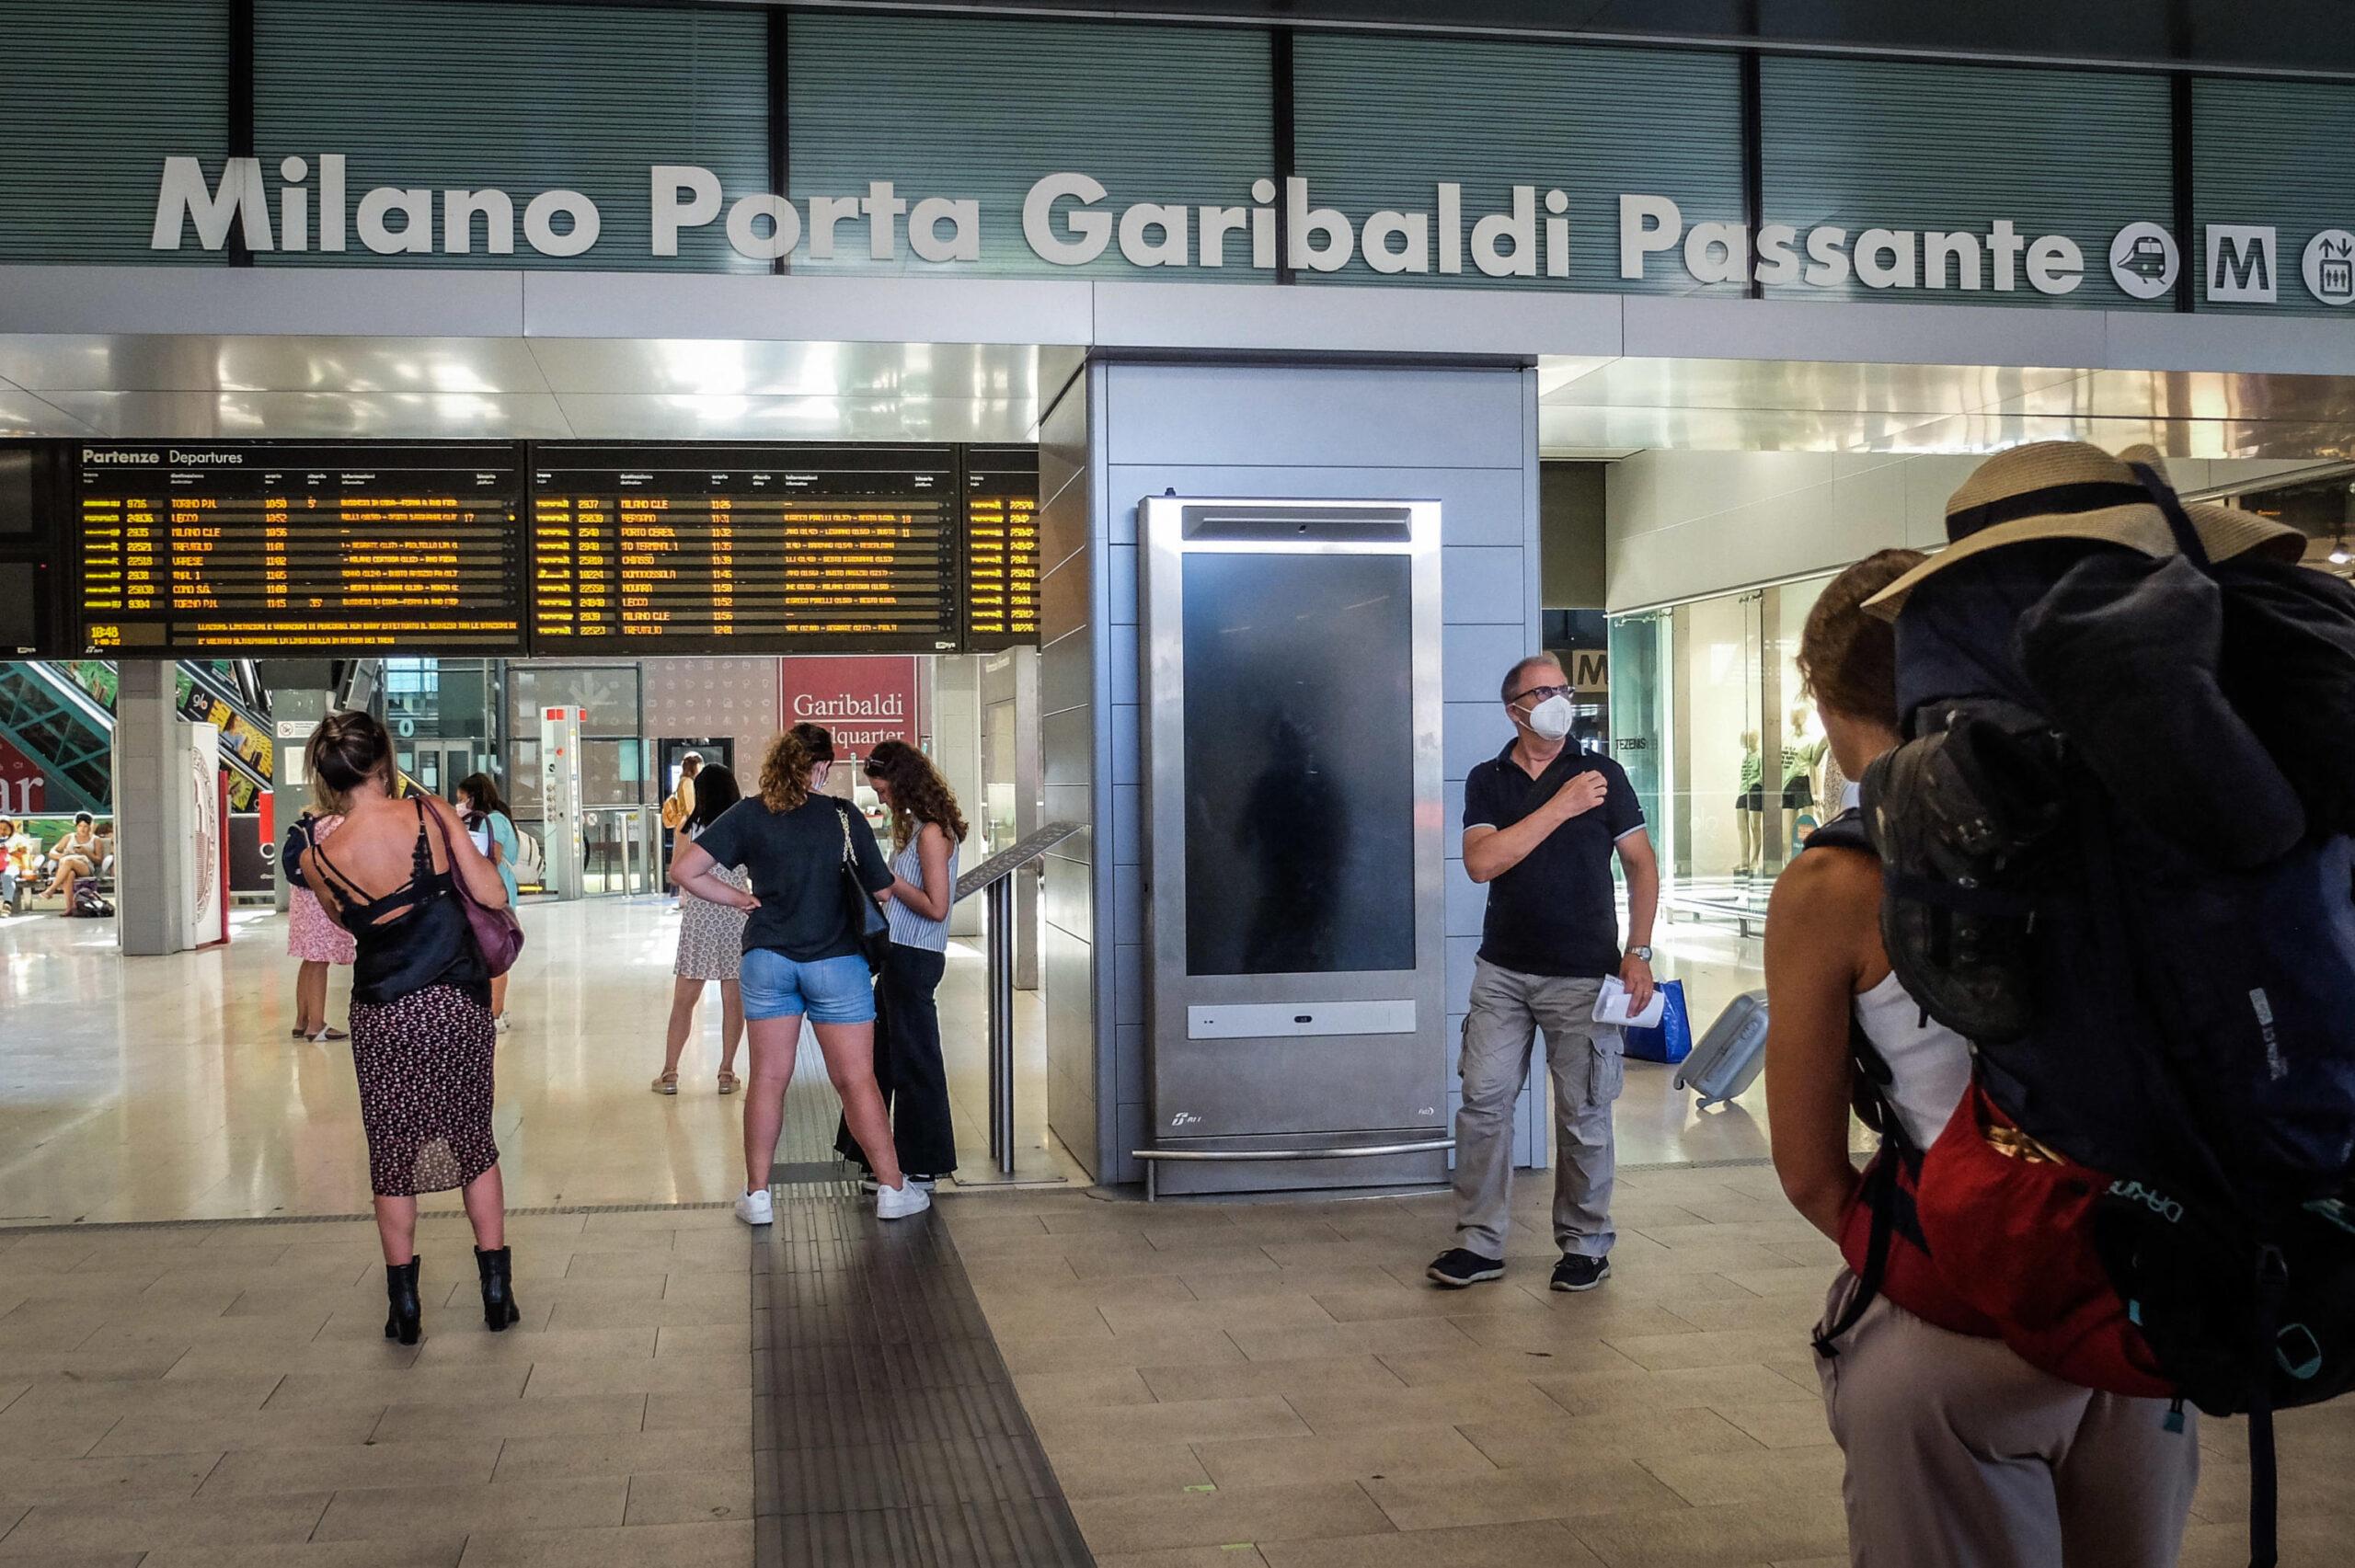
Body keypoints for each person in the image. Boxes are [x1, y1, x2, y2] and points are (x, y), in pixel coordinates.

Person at [1764, 551, 2197, 1568]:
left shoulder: (1836, 878)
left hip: (1953, 1330)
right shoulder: (2126, 829)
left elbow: (1807, 1168)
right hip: (2149, 1306)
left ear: (1830, 700)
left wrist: (1940, 1260)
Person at [1429, 653, 1660, 1293]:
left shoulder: (1603, 774)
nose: (1561, 696)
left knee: (1584, 1113)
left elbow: (1642, 864)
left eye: (1564, 686)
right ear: (1516, 709)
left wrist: (1638, 951)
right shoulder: (1489, 779)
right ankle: (1479, 1242)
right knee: (1483, 1105)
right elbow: (1483, 862)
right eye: (1544, 689)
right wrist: (1559, 806)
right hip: (1502, 971)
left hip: (1584, 975)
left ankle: (1585, 1244)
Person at [296, 711, 520, 1345]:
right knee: (473, 1139)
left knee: (392, 1153)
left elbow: (352, 928)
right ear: (382, 758)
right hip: (455, 1001)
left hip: (382, 1010)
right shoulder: (428, 814)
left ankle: (405, 1306)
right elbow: (492, 892)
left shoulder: (318, 856)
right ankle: (496, 1291)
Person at [669, 723, 929, 1224]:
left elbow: (685, 871)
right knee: (857, 1080)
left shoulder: (749, 812)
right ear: (823, 766)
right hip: (836, 962)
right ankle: (893, 1190)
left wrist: (741, 897)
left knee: (768, 1078)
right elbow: (879, 890)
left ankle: (758, 1196)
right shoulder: (842, 816)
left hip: (767, 961)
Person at [833, 738, 965, 1188]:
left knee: (914, 1059)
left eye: (885, 791)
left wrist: (889, 883)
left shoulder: (932, 833)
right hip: (900, 955)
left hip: (915, 956)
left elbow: (936, 906)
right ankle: (880, 1157)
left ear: (905, 783)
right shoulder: (919, 828)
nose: (882, 799)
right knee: (882, 1057)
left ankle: (922, 1163)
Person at [657, 761, 748, 1097]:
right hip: (736, 915)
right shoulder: (743, 826)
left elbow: (676, 871)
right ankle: (726, 1072)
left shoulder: (688, 826)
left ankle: (670, 1072)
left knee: (684, 1000)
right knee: (733, 999)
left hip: (700, 916)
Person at [285, 773, 355, 1042]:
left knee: (310, 960)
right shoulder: (336, 822)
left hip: (304, 896)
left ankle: (302, 1020)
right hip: (321, 897)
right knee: (319, 962)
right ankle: (317, 1024)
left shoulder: (312, 817)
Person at [454, 773, 521, 1033]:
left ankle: (495, 1013)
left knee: (494, 953)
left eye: (462, 799)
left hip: (493, 889)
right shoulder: (491, 818)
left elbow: (491, 855)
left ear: (473, 797)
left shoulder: (492, 821)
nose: (459, 804)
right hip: (489, 887)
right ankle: (495, 1009)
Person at [40, 811, 104, 903]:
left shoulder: (95, 840)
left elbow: (99, 861)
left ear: (90, 827)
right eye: (80, 826)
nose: (83, 829)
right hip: (66, 865)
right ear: (76, 826)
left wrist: (86, 852)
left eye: (85, 826)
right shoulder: (69, 837)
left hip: (85, 867)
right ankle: (70, 908)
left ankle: (51, 889)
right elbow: (52, 852)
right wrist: (62, 856)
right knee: (70, 874)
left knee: (69, 861)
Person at [0, 818, 33, 914]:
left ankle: (7, 904)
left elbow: (26, 854)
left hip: (12, 865)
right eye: (0, 829)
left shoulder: (18, 839)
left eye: (5, 829)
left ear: (11, 828)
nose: (2, 831)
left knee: (7, 876)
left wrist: (10, 851)